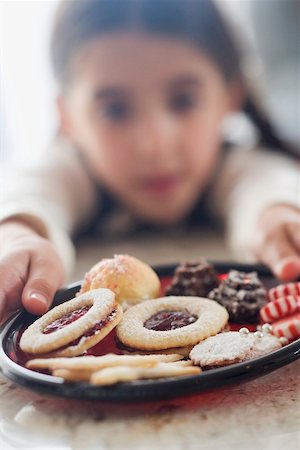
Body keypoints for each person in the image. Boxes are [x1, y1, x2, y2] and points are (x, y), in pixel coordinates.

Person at [0, 0, 299, 321]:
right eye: (114, 110)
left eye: (184, 101)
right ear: (68, 118)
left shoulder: (235, 166)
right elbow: (31, 190)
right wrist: (18, 233)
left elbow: (264, 181)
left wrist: (275, 215)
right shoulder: (71, 174)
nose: (153, 145)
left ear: (230, 98)